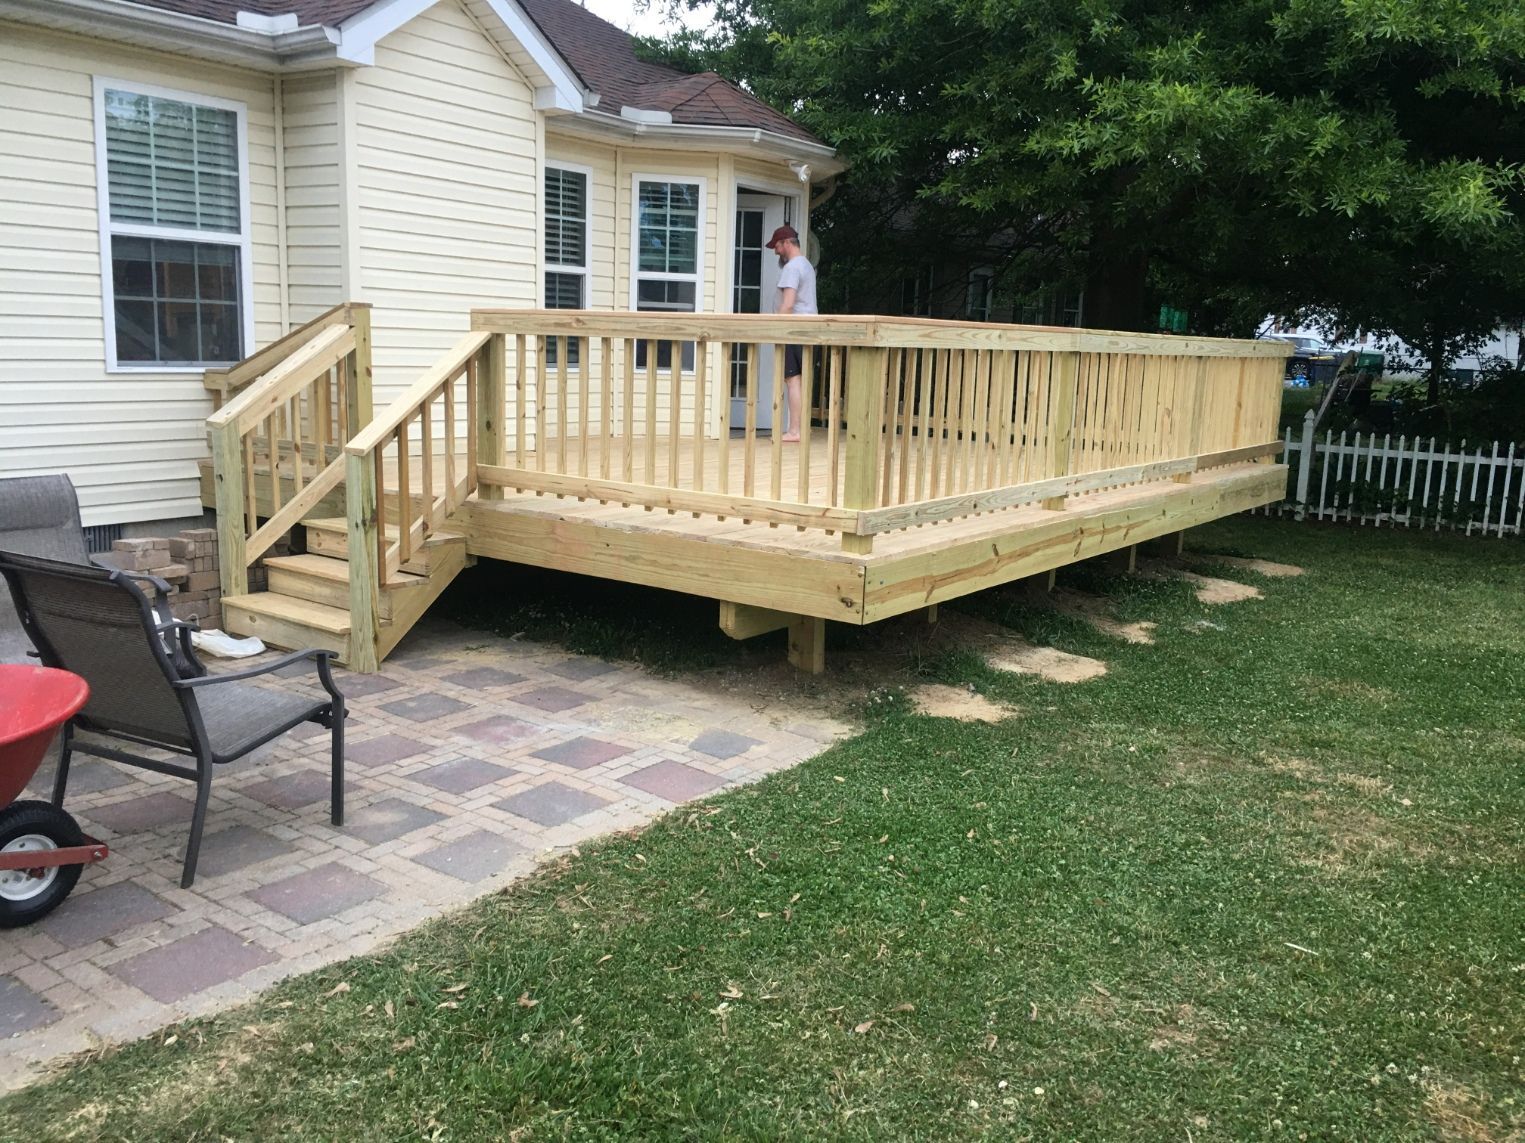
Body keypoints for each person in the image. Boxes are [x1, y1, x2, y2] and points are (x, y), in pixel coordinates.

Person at [765, 224, 816, 442]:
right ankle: (801, 428)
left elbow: (787, 304)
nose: (776, 251)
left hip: (793, 330)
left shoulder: (792, 268)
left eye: (777, 246)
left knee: (792, 379)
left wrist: (777, 329)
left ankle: (795, 431)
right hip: (808, 329)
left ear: (786, 243)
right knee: (801, 379)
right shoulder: (806, 265)